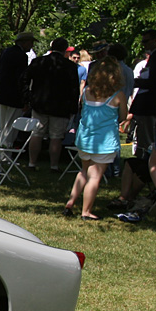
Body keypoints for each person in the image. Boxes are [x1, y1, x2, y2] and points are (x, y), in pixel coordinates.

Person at [62, 56, 127, 220]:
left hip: (85, 138)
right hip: (104, 142)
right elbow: (123, 116)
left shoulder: (87, 91)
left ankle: (70, 203)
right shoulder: (118, 96)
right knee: (95, 176)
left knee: (83, 171)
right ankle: (86, 211)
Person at [23, 37, 80, 171]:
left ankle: (32, 163)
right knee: (56, 137)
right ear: (65, 49)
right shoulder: (69, 66)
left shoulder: (39, 62)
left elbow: (24, 78)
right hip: (60, 106)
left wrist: (28, 97)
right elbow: (74, 89)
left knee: (36, 134)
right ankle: (53, 165)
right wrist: (73, 107)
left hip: (39, 104)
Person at [0, 31, 36, 147]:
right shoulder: (21, 56)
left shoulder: (6, 52)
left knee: (4, 125)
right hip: (14, 95)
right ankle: (6, 152)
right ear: (25, 42)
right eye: (31, 43)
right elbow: (21, 79)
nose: (32, 46)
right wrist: (25, 99)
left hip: (2, 93)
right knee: (11, 126)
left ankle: (3, 151)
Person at [126, 30, 156, 161]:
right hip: (148, 103)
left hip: (150, 104)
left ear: (155, 39)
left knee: (147, 139)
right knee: (143, 136)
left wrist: (135, 81)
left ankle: (145, 164)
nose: (143, 44)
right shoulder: (154, 55)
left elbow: (155, 81)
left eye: (146, 41)